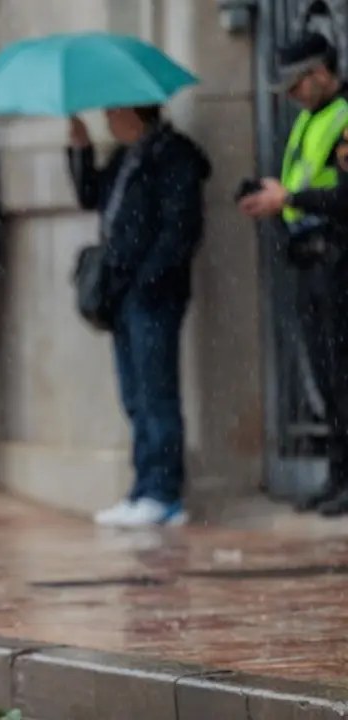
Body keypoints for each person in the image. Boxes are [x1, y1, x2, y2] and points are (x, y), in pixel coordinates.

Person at [70, 104, 212, 527]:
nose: (107, 119)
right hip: (122, 293)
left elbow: (181, 228)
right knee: (135, 396)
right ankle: (142, 486)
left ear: (135, 112)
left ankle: (163, 491)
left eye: (112, 112)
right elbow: (90, 196)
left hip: (152, 293)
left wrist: (148, 279)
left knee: (156, 394)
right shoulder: (124, 156)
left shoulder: (173, 156)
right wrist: (79, 150)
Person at [239, 33, 348, 516]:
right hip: (312, 262)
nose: (290, 96)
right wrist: (275, 195)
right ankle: (337, 475)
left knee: (343, 379)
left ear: (321, 72)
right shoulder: (312, 119)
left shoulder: (344, 115)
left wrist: (290, 200)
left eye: (295, 84)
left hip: (340, 260)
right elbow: (305, 182)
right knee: (326, 380)